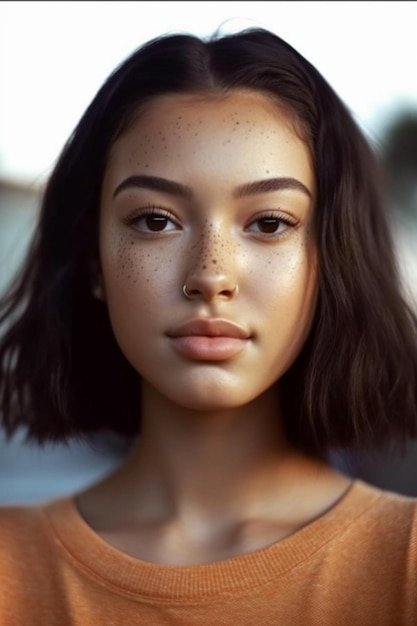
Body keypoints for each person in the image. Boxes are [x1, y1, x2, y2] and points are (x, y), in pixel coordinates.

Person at [0, 27, 416, 625]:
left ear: (330, 259)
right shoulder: (12, 570)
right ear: (92, 258)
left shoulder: (404, 564)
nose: (210, 276)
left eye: (270, 224)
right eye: (155, 220)